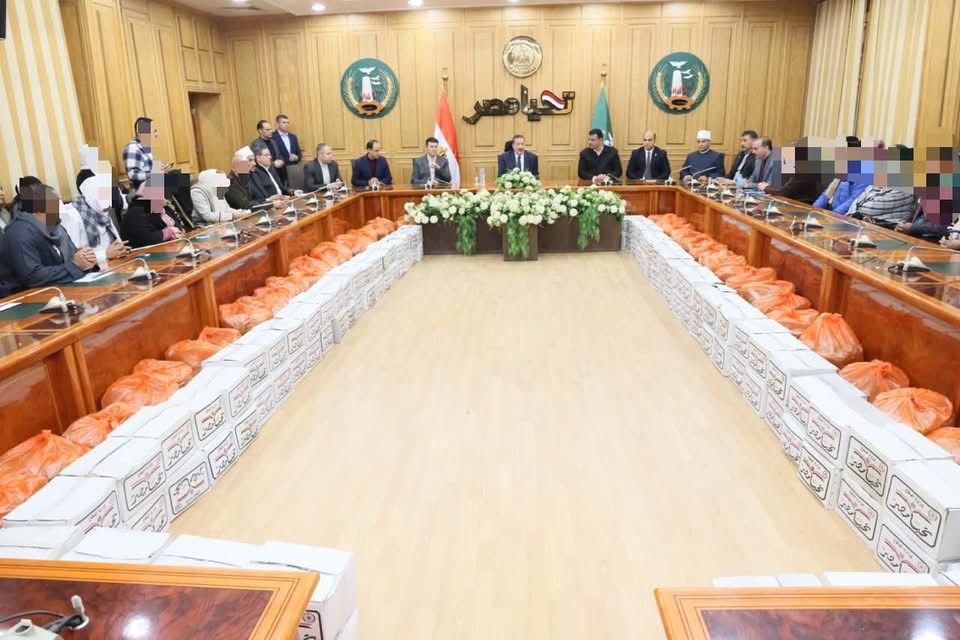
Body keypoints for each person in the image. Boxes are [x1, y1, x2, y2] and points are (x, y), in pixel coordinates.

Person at [0, 181, 96, 296]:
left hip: (59, 291)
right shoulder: (20, 232)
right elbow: (32, 276)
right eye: (55, 203)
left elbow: (72, 257)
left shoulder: (56, 227)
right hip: (23, 297)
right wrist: (74, 265)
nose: (60, 207)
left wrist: (85, 258)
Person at [60, 172, 129, 267]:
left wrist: (120, 249)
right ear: (93, 195)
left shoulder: (103, 212)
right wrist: (105, 254)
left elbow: (117, 244)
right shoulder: (74, 216)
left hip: (114, 265)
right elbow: (72, 259)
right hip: (91, 271)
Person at [121, 173, 186, 248]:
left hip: (168, 247)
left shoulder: (163, 208)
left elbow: (177, 224)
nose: (167, 199)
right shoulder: (136, 213)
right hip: (142, 252)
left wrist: (178, 232)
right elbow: (146, 239)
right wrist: (169, 232)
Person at [122, 117, 171, 190]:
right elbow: (133, 175)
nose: (156, 134)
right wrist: (156, 173)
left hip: (152, 185)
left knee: (177, 175)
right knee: (180, 182)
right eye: (154, 131)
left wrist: (160, 168)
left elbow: (146, 169)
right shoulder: (132, 148)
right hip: (144, 190)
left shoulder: (144, 147)